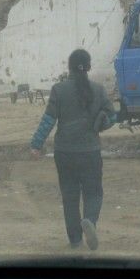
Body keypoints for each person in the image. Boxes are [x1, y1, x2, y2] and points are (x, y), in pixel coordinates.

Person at [30, 49, 117, 250]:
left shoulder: (59, 90)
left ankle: (75, 238)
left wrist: (36, 145)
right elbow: (112, 117)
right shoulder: (99, 90)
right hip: (90, 152)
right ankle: (90, 221)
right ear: (88, 67)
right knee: (93, 192)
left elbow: (48, 120)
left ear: (69, 67)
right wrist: (100, 124)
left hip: (64, 152)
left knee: (69, 195)